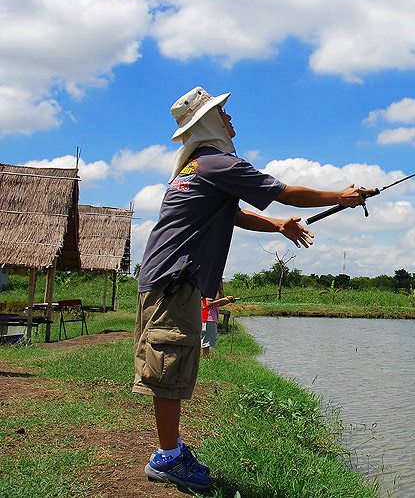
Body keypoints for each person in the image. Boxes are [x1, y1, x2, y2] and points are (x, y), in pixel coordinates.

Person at [135, 86, 374, 491]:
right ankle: (168, 458)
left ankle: (171, 449)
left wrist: (278, 226)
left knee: (170, 364)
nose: (230, 119)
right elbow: (284, 193)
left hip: (164, 277)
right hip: (176, 281)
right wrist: (343, 196)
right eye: (222, 113)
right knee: (169, 366)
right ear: (207, 122)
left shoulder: (194, 168)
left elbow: (237, 215)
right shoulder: (217, 163)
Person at [201, 281, 233, 359]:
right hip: (208, 317)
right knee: (206, 341)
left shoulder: (216, 291)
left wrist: (228, 301)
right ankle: (205, 359)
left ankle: (206, 358)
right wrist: (223, 300)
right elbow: (208, 304)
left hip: (213, 318)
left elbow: (218, 304)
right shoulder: (210, 290)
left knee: (209, 340)